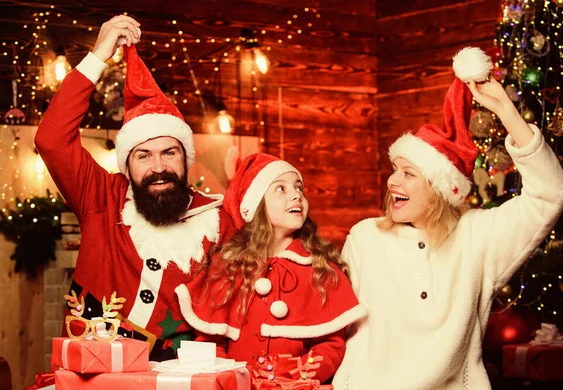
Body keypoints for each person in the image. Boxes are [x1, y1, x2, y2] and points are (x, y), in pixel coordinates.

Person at [332, 47, 563, 389]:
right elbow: (333, 322)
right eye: (394, 170)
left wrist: (506, 111)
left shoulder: (478, 238)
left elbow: (550, 193)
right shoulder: (365, 238)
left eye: (409, 174)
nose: (392, 181)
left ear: (440, 189)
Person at [35, 15, 236, 361]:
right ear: (126, 165)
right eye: (143, 155)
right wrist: (99, 55)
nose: (158, 168)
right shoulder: (101, 197)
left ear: (185, 158)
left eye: (169, 153)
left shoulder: (220, 221)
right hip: (92, 375)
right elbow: (52, 140)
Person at [176, 153, 367, 383]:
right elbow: (211, 343)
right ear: (255, 204)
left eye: (299, 188)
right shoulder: (230, 269)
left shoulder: (319, 270)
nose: (296, 194)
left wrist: (296, 378)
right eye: (281, 189)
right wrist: (230, 381)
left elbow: (330, 346)